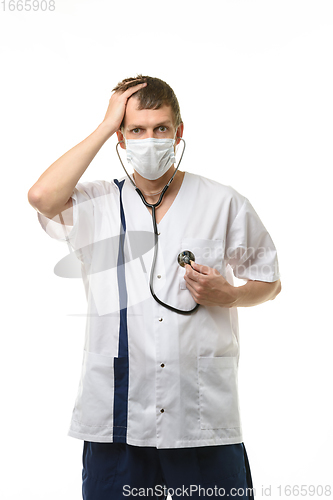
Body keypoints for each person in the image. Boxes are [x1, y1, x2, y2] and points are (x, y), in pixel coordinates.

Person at [28, 75, 281, 499]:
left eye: (161, 128)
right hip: (116, 414)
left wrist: (232, 294)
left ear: (179, 132)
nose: (150, 139)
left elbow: (270, 283)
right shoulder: (96, 202)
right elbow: (41, 197)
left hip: (200, 418)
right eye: (136, 130)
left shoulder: (223, 201)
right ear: (121, 139)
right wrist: (107, 123)